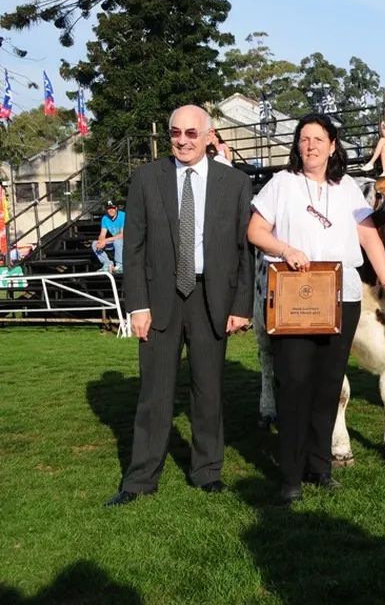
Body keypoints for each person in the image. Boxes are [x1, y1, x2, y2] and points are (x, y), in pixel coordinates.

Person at [247, 112, 385, 505]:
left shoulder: (346, 187)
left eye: (319, 139)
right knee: (294, 383)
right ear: (297, 145)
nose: (311, 146)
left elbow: (368, 236)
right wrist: (285, 249)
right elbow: (255, 230)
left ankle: (319, 467)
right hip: (294, 294)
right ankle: (290, 477)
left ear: (333, 145)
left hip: (343, 295)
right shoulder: (281, 184)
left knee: (327, 385)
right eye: (304, 139)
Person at [106, 105, 254, 507]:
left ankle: (207, 472)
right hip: (159, 299)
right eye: (176, 133)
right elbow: (132, 249)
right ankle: (139, 480)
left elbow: (245, 252)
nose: (183, 140)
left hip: (213, 299)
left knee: (208, 391)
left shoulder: (236, 183)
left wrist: (242, 305)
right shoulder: (145, 178)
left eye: (192, 133)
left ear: (209, 135)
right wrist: (137, 306)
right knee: (154, 393)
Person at [92, 200, 126, 273]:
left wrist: (105, 240)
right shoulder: (105, 218)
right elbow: (102, 234)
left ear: (116, 208)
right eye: (108, 208)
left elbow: (123, 234)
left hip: (126, 240)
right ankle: (107, 264)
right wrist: (101, 241)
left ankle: (120, 265)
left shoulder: (123, 216)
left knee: (117, 242)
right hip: (115, 241)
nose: (111, 210)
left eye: (112, 208)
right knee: (95, 244)